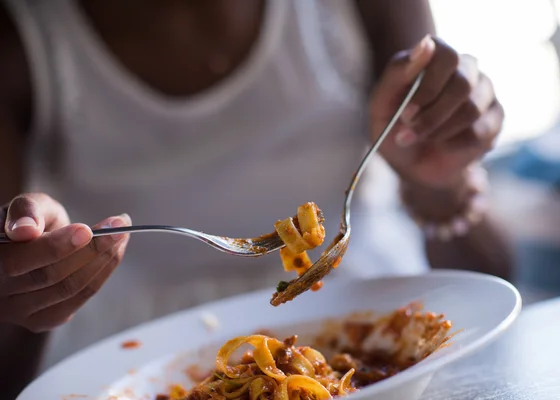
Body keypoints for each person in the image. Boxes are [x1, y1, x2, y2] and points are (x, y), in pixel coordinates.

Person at [0, 0, 512, 397]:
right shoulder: (18, 35)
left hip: (378, 306)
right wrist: (30, 281)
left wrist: (441, 184)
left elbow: (494, 277)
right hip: (115, 362)